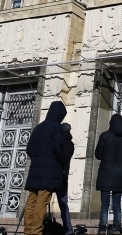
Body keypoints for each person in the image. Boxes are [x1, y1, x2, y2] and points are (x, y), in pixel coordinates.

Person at [24, 101, 68, 235]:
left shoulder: (38, 128)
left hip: (35, 171)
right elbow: (58, 148)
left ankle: (28, 231)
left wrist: (38, 157)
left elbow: (29, 149)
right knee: (42, 202)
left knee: (31, 202)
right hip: (49, 171)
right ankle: (36, 231)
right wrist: (62, 162)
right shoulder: (57, 128)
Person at [94, 114, 122, 235]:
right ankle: (117, 227)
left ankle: (102, 228)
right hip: (119, 174)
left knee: (104, 204)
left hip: (105, 174)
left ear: (111, 122)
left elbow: (98, 155)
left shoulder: (105, 135)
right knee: (117, 204)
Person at [57, 123, 75, 235]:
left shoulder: (57, 142)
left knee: (42, 202)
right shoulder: (71, 144)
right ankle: (68, 230)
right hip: (64, 177)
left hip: (53, 176)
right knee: (64, 204)